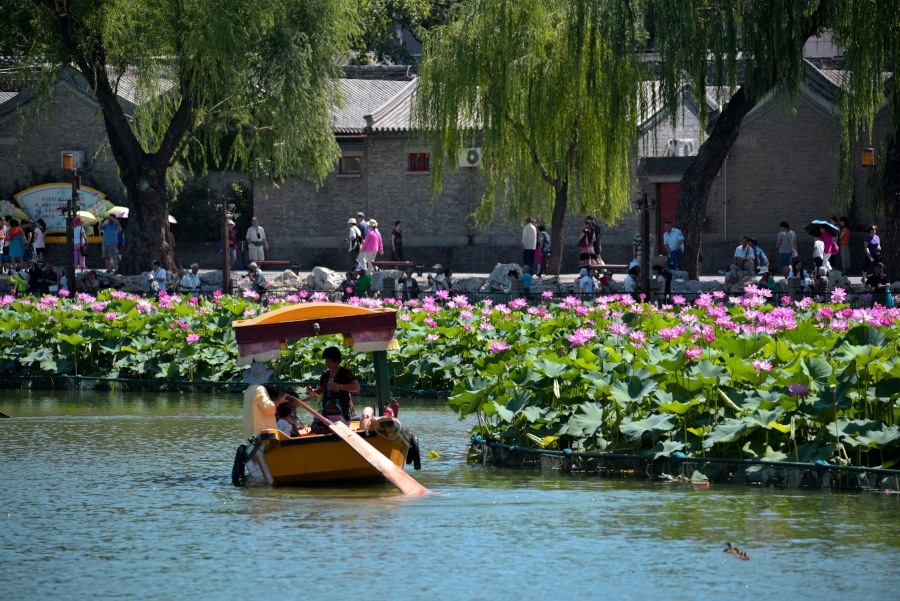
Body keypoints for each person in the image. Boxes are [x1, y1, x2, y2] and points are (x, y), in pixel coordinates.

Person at [306, 346, 360, 423]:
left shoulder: (345, 373)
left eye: (328, 361)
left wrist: (341, 386)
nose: (326, 363)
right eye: (326, 361)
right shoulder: (325, 374)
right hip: (327, 410)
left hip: (342, 409)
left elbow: (357, 387)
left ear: (336, 360)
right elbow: (320, 391)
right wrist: (312, 391)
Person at [242, 361, 278, 438]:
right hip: (262, 435)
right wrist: (280, 400)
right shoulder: (260, 389)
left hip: (251, 436)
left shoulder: (248, 389)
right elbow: (268, 408)